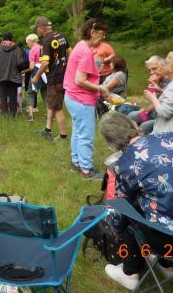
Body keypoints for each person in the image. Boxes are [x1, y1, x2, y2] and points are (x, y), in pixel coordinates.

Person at [99, 112, 173, 290]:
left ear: (112, 144)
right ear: (133, 126)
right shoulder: (167, 137)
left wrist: (114, 225)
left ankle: (129, 273)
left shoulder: (126, 165)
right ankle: (167, 265)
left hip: (167, 237)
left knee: (123, 213)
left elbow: (120, 210)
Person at [63, 18, 109, 179]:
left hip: (71, 97)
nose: (103, 37)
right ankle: (87, 170)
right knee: (86, 135)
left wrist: (95, 68)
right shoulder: (86, 51)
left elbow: (80, 72)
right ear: (92, 32)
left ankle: (76, 162)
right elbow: (80, 80)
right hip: (81, 99)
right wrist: (100, 88)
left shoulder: (79, 46)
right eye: (102, 34)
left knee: (78, 131)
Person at [30, 16, 71, 141]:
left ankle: (63, 136)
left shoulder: (46, 41)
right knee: (51, 104)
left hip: (54, 78)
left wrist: (36, 76)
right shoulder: (61, 36)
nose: (36, 31)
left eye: (37, 28)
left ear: (42, 28)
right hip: (63, 75)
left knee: (57, 107)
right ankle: (47, 130)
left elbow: (45, 63)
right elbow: (71, 52)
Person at [128, 55, 169, 135]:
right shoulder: (159, 80)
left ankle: (146, 144)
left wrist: (158, 90)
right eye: (150, 70)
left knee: (144, 126)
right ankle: (130, 141)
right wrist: (146, 110)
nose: (151, 73)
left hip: (165, 117)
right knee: (132, 116)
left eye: (154, 68)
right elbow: (153, 99)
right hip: (155, 113)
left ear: (164, 66)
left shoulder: (169, 81)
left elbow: (165, 101)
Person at [0, 32, 23, 116]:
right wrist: (18, 70)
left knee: (3, 97)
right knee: (13, 97)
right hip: (13, 76)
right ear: (11, 39)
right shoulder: (17, 49)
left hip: (0, 75)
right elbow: (20, 63)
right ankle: (13, 115)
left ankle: (5, 115)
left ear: (2, 39)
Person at [144, 52, 173, 133]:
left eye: (166, 63)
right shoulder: (168, 83)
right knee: (140, 116)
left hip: (166, 129)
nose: (151, 72)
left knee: (143, 124)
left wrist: (152, 97)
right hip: (161, 119)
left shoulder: (170, 84)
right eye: (149, 70)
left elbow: (165, 112)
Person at [25, 33, 42, 121]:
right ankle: (50, 114)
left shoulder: (32, 50)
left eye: (28, 42)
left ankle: (31, 115)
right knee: (45, 93)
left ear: (32, 41)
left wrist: (26, 70)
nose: (27, 44)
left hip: (35, 73)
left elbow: (31, 66)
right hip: (45, 73)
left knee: (30, 93)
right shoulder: (43, 48)